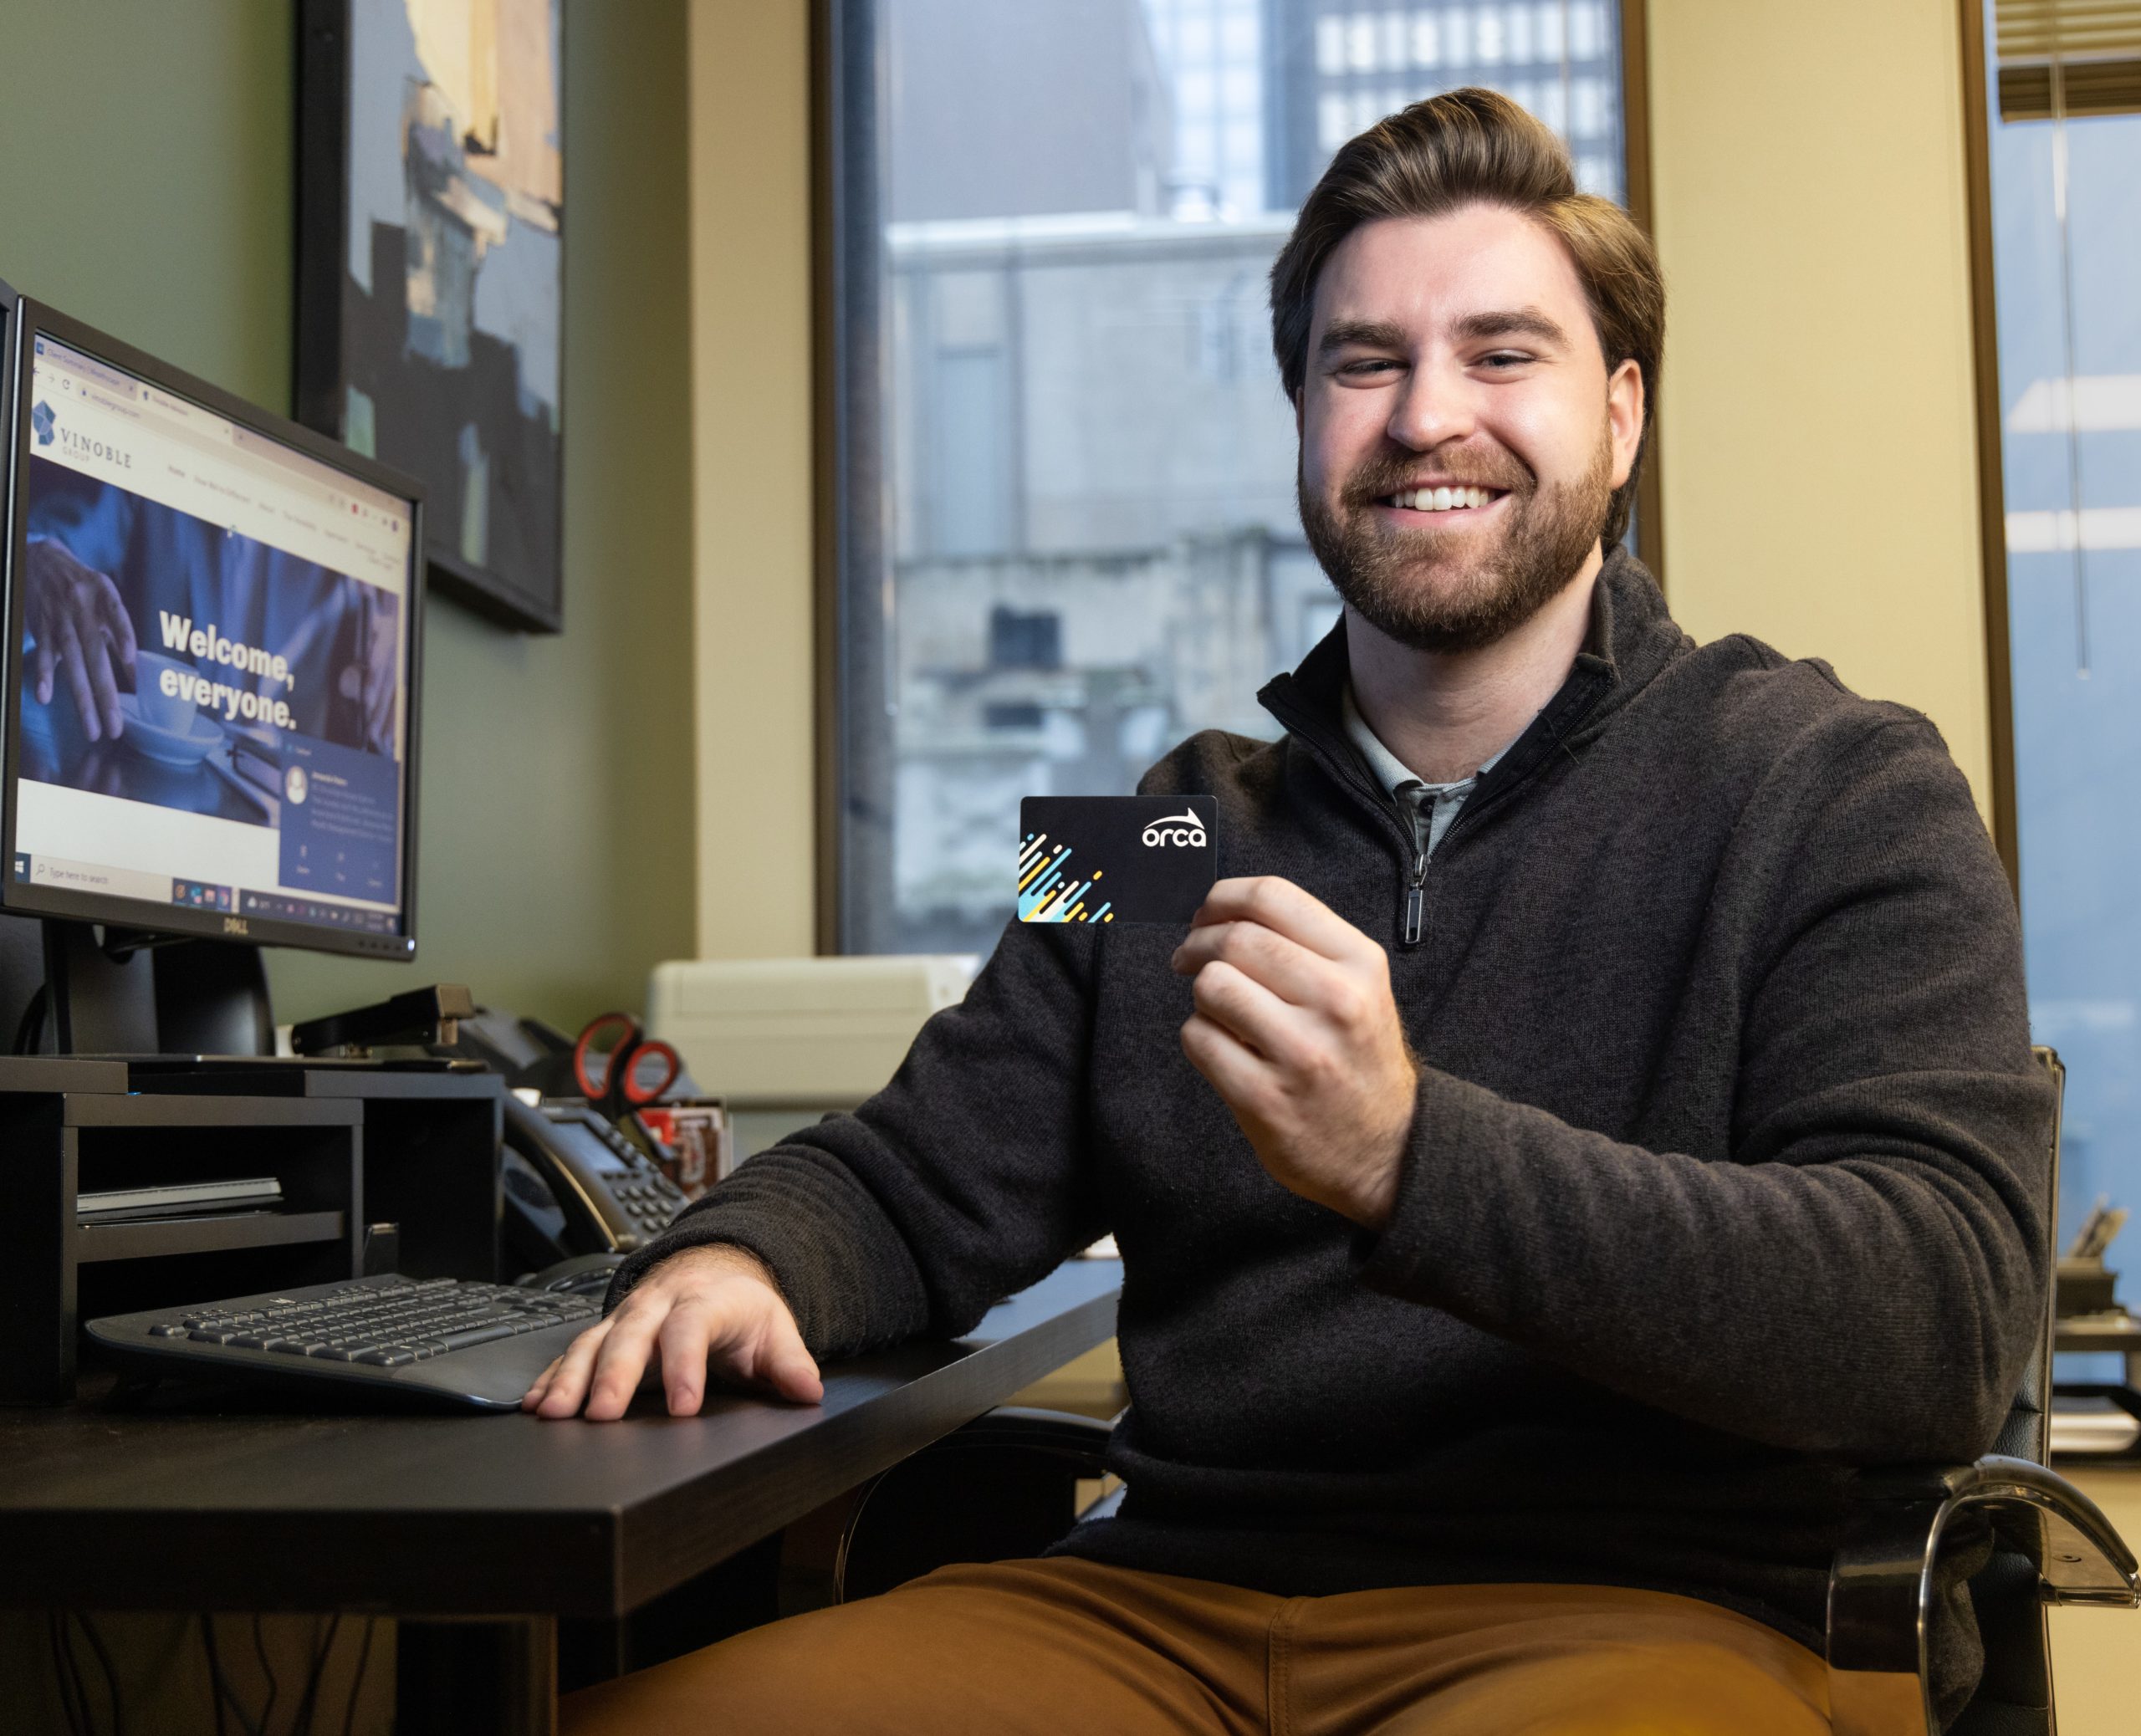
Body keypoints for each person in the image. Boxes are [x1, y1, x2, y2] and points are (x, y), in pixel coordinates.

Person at [531, 90, 2048, 1734]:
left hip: (1636, 1615)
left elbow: (1941, 1316)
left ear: (1619, 419)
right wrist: (749, 1255)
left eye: (1499, 354)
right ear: (1303, 421)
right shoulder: (1159, 822)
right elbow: (913, 1174)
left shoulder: (1837, 784)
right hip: (1155, 1602)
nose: (1422, 417)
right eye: (1361, 363)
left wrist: (1409, 1156)